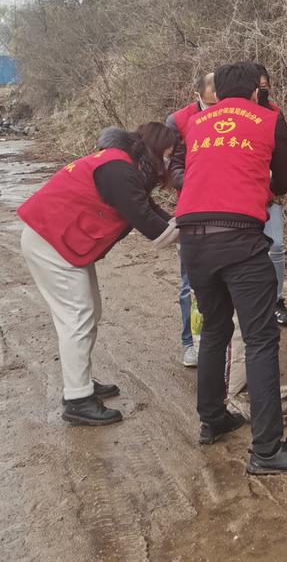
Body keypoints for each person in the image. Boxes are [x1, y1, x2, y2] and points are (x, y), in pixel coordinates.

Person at [176, 61, 287, 474]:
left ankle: (212, 418)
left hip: (193, 240)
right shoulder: (268, 119)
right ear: (257, 91)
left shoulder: (198, 124)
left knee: (216, 330)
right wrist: (263, 188)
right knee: (260, 339)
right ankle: (267, 448)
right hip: (238, 236)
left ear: (216, 93)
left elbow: (189, 172)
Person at [17, 123, 179, 426]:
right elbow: (145, 220)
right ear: (156, 152)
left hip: (59, 238)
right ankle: (78, 400)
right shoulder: (118, 169)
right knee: (77, 316)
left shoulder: (124, 164)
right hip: (49, 239)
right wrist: (190, 233)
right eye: (168, 156)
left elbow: (150, 207)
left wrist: (180, 223)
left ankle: (81, 384)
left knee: (89, 312)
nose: (168, 164)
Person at [167, 72, 217, 367]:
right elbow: (172, 167)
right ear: (198, 91)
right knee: (190, 282)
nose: (218, 92)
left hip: (226, 211)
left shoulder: (234, 115)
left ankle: (218, 340)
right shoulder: (179, 120)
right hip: (191, 210)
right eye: (213, 86)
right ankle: (190, 342)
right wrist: (197, 183)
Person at [255, 65, 287, 326]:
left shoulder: (274, 113)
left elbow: (284, 153)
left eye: (266, 85)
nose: (263, 90)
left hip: (271, 193)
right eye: (258, 86)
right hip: (244, 196)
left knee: (277, 246)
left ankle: (277, 300)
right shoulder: (235, 115)